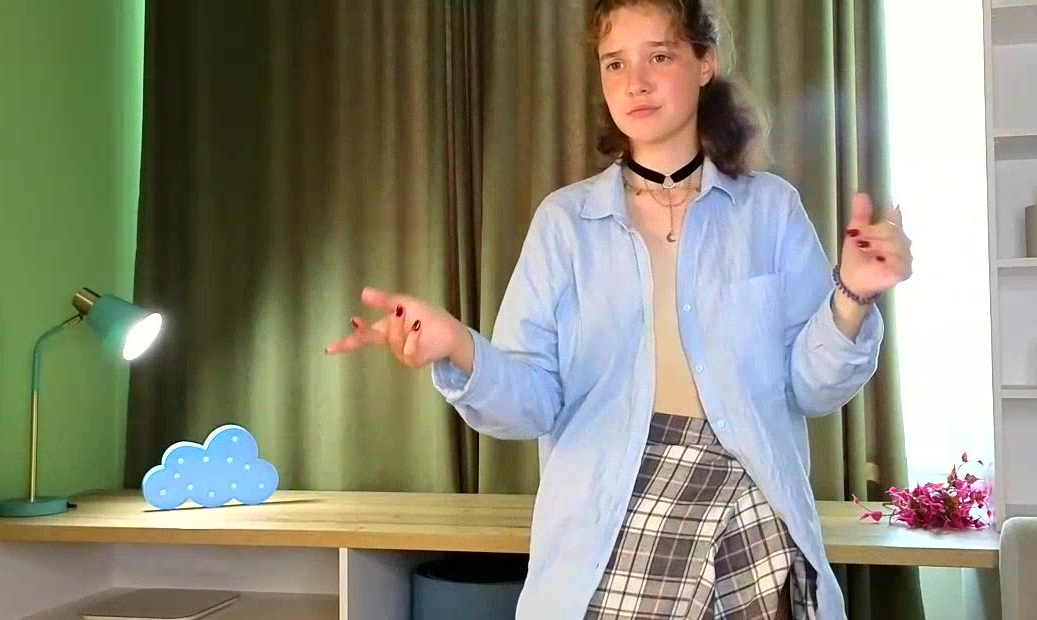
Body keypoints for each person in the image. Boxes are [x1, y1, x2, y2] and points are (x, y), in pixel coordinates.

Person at [325, 0, 912, 617]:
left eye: (659, 56)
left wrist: (852, 296)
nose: (635, 83)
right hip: (610, 514)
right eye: (614, 63)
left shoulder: (771, 208)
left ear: (705, 63)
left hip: (752, 500)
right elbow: (532, 403)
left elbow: (813, 388)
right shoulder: (564, 223)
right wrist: (460, 348)